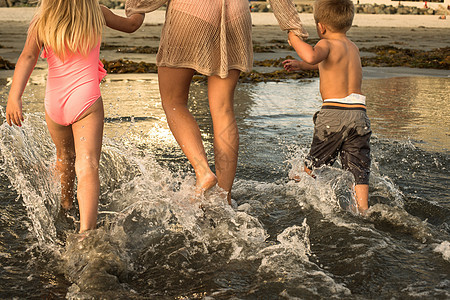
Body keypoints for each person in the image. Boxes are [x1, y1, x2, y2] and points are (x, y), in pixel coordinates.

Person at [125, 0, 308, 204]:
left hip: (190, 13)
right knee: (223, 109)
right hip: (236, 15)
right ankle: (224, 197)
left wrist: (137, 7)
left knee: (174, 102)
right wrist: (293, 27)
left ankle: (203, 172)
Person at [5, 0, 144, 233]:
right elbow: (131, 26)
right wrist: (140, 7)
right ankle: (85, 233)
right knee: (87, 163)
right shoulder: (96, 12)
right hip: (86, 99)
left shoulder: (42, 19)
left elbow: (27, 57)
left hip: (54, 103)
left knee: (64, 159)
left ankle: (67, 206)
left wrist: (14, 97)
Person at [283, 0, 371, 214]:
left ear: (321, 27)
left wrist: (293, 39)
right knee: (358, 167)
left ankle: (291, 194)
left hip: (334, 115)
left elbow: (313, 55)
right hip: (359, 116)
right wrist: (302, 66)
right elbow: (329, 65)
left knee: (313, 162)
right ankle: (364, 209)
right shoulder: (353, 47)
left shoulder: (326, 43)